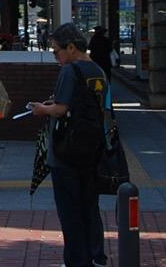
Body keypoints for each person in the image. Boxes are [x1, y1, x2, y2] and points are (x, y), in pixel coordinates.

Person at [30, 22, 108, 267]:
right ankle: (97, 255)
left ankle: (76, 259)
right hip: (92, 148)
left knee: (69, 209)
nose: (56, 57)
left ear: (71, 47)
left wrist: (43, 109)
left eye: (57, 51)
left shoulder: (69, 71)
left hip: (66, 151)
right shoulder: (97, 70)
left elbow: (62, 109)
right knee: (89, 206)